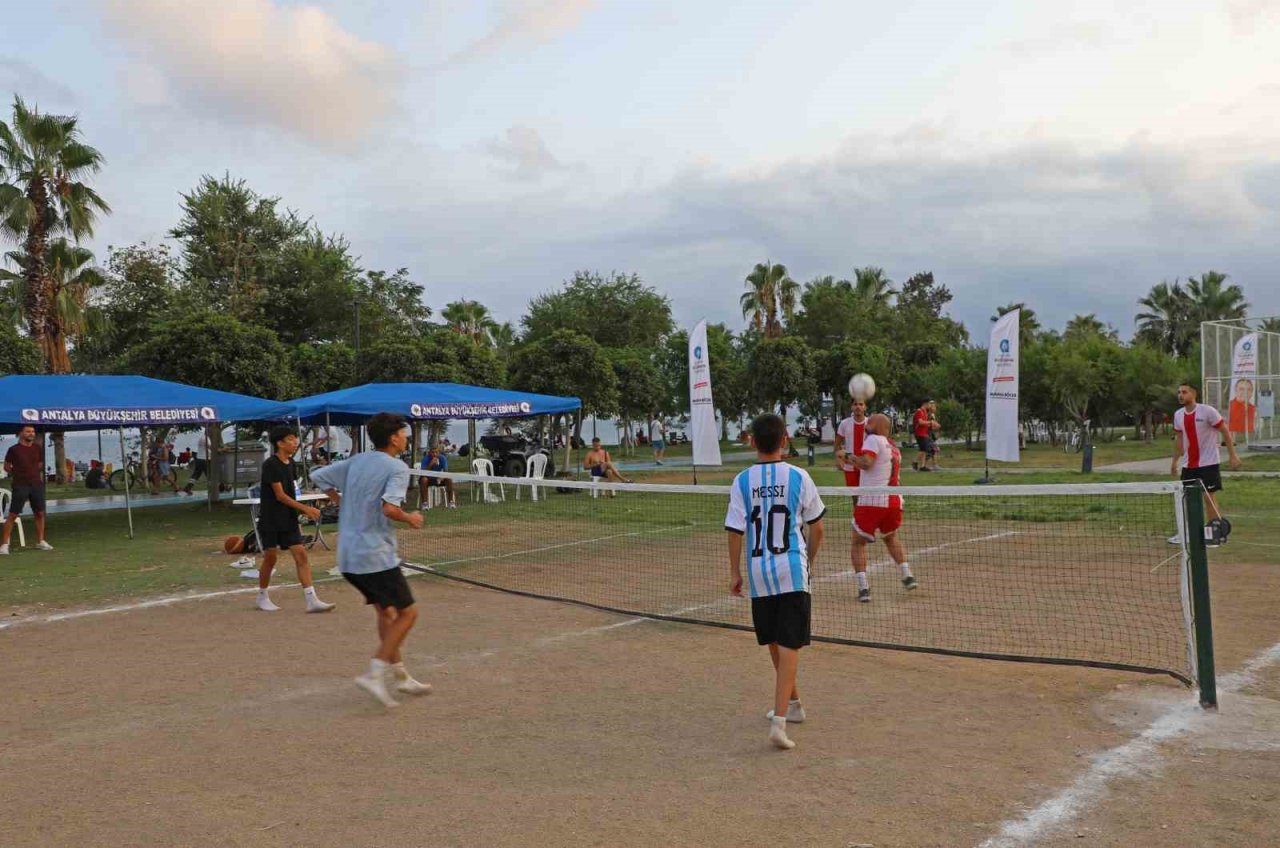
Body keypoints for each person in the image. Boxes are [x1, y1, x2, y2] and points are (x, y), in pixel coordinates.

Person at [310, 413, 430, 708]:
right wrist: (411, 518)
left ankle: (401, 677)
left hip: (348, 557)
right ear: (393, 437)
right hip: (374, 554)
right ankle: (375, 673)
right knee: (408, 614)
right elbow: (390, 509)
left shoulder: (358, 460)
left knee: (385, 613)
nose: (406, 438)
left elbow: (318, 476)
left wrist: (344, 502)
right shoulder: (397, 468)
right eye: (403, 433)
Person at [725, 413, 826, 751]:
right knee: (784, 644)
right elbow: (818, 528)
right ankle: (784, 716)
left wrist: (735, 571)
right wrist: (806, 562)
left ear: (752, 441)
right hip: (791, 570)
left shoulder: (741, 481)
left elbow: (735, 530)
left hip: (759, 572)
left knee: (779, 643)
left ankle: (786, 712)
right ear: (785, 440)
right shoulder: (800, 476)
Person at [254, 425, 335, 613]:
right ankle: (262, 596)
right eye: (290, 439)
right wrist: (305, 509)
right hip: (271, 519)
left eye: (295, 438)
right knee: (270, 558)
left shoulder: (291, 464)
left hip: (288, 519)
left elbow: (292, 491)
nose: (295, 442)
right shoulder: (270, 465)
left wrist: (313, 499)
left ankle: (311, 599)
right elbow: (280, 495)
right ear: (280, 443)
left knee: (301, 555)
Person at [849, 413, 918, 602]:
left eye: (870, 421)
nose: (867, 424)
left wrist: (849, 457)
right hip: (894, 501)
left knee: (857, 542)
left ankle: (864, 589)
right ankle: (907, 575)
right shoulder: (893, 446)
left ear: (881, 426)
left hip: (873, 500)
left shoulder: (873, 440)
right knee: (891, 537)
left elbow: (866, 463)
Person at [1171, 383, 1242, 547]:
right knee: (1187, 499)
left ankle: (1213, 533)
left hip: (1209, 463)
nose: (1180, 395)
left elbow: (1225, 431)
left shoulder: (1207, 411)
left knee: (1208, 498)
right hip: (1189, 465)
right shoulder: (1178, 415)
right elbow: (1179, 440)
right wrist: (1175, 462)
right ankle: (1186, 533)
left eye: (1184, 392)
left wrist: (1233, 455)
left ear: (1193, 394)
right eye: (1179, 392)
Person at [1, 425, 52, 554]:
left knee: (40, 513)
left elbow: (40, 464)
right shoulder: (13, 450)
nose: (31, 434)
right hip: (20, 485)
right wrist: (17, 474)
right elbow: (7, 467)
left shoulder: (37, 448)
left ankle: (40, 541)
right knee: (13, 515)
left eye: (33, 431)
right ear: (21, 434)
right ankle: (4, 545)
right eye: (28, 431)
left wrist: (33, 472)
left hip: (36, 484)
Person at [835, 397, 869, 487]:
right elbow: (837, 444)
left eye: (861, 404)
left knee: (866, 496)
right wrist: (839, 458)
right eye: (855, 404)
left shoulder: (870, 423)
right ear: (851, 407)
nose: (858, 407)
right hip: (850, 467)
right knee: (854, 496)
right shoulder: (844, 423)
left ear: (865, 407)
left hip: (866, 466)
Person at [418, 442, 456, 508]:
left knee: (449, 479)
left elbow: (446, 471)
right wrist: (431, 464)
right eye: (432, 452)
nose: (434, 454)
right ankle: (424, 503)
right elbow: (423, 473)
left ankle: (451, 502)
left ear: (439, 452)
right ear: (429, 453)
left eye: (436, 452)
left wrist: (442, 477)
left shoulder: (442, 458)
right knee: (424, 480)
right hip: (428, 479)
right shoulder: (425, 459)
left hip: (439, 479)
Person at [912, 399, 941, 472]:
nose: (930, 406)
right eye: (929, 404)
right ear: (925, 403)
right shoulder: (919, 411)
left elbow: (926, 424)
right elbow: (920, 422)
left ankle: (922, 466)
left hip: (924, 433)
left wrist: (933, 425)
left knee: (924, 450)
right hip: (919, 433)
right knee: (925, 449)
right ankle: (915, 462)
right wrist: (931, 422)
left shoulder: (924, 412)